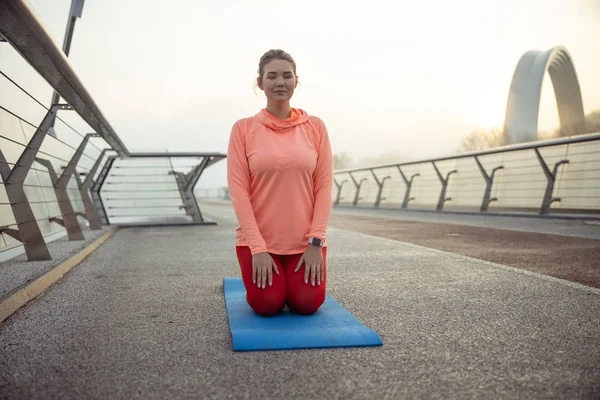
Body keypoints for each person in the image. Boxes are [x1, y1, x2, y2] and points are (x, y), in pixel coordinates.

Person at [227, 49, 333, 317]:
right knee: (267, 305)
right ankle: (277, 286)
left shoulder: (316, 127)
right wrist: (257, 248)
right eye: (271, 76)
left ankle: (291, 285)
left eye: (287, 76)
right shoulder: (243, 129)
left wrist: (316, 243)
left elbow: (323, 188)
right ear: (260, 82)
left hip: (305, 243)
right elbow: (239, 193)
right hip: (259, 242)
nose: (280, 83)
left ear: (296, 81)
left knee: (308, 305)